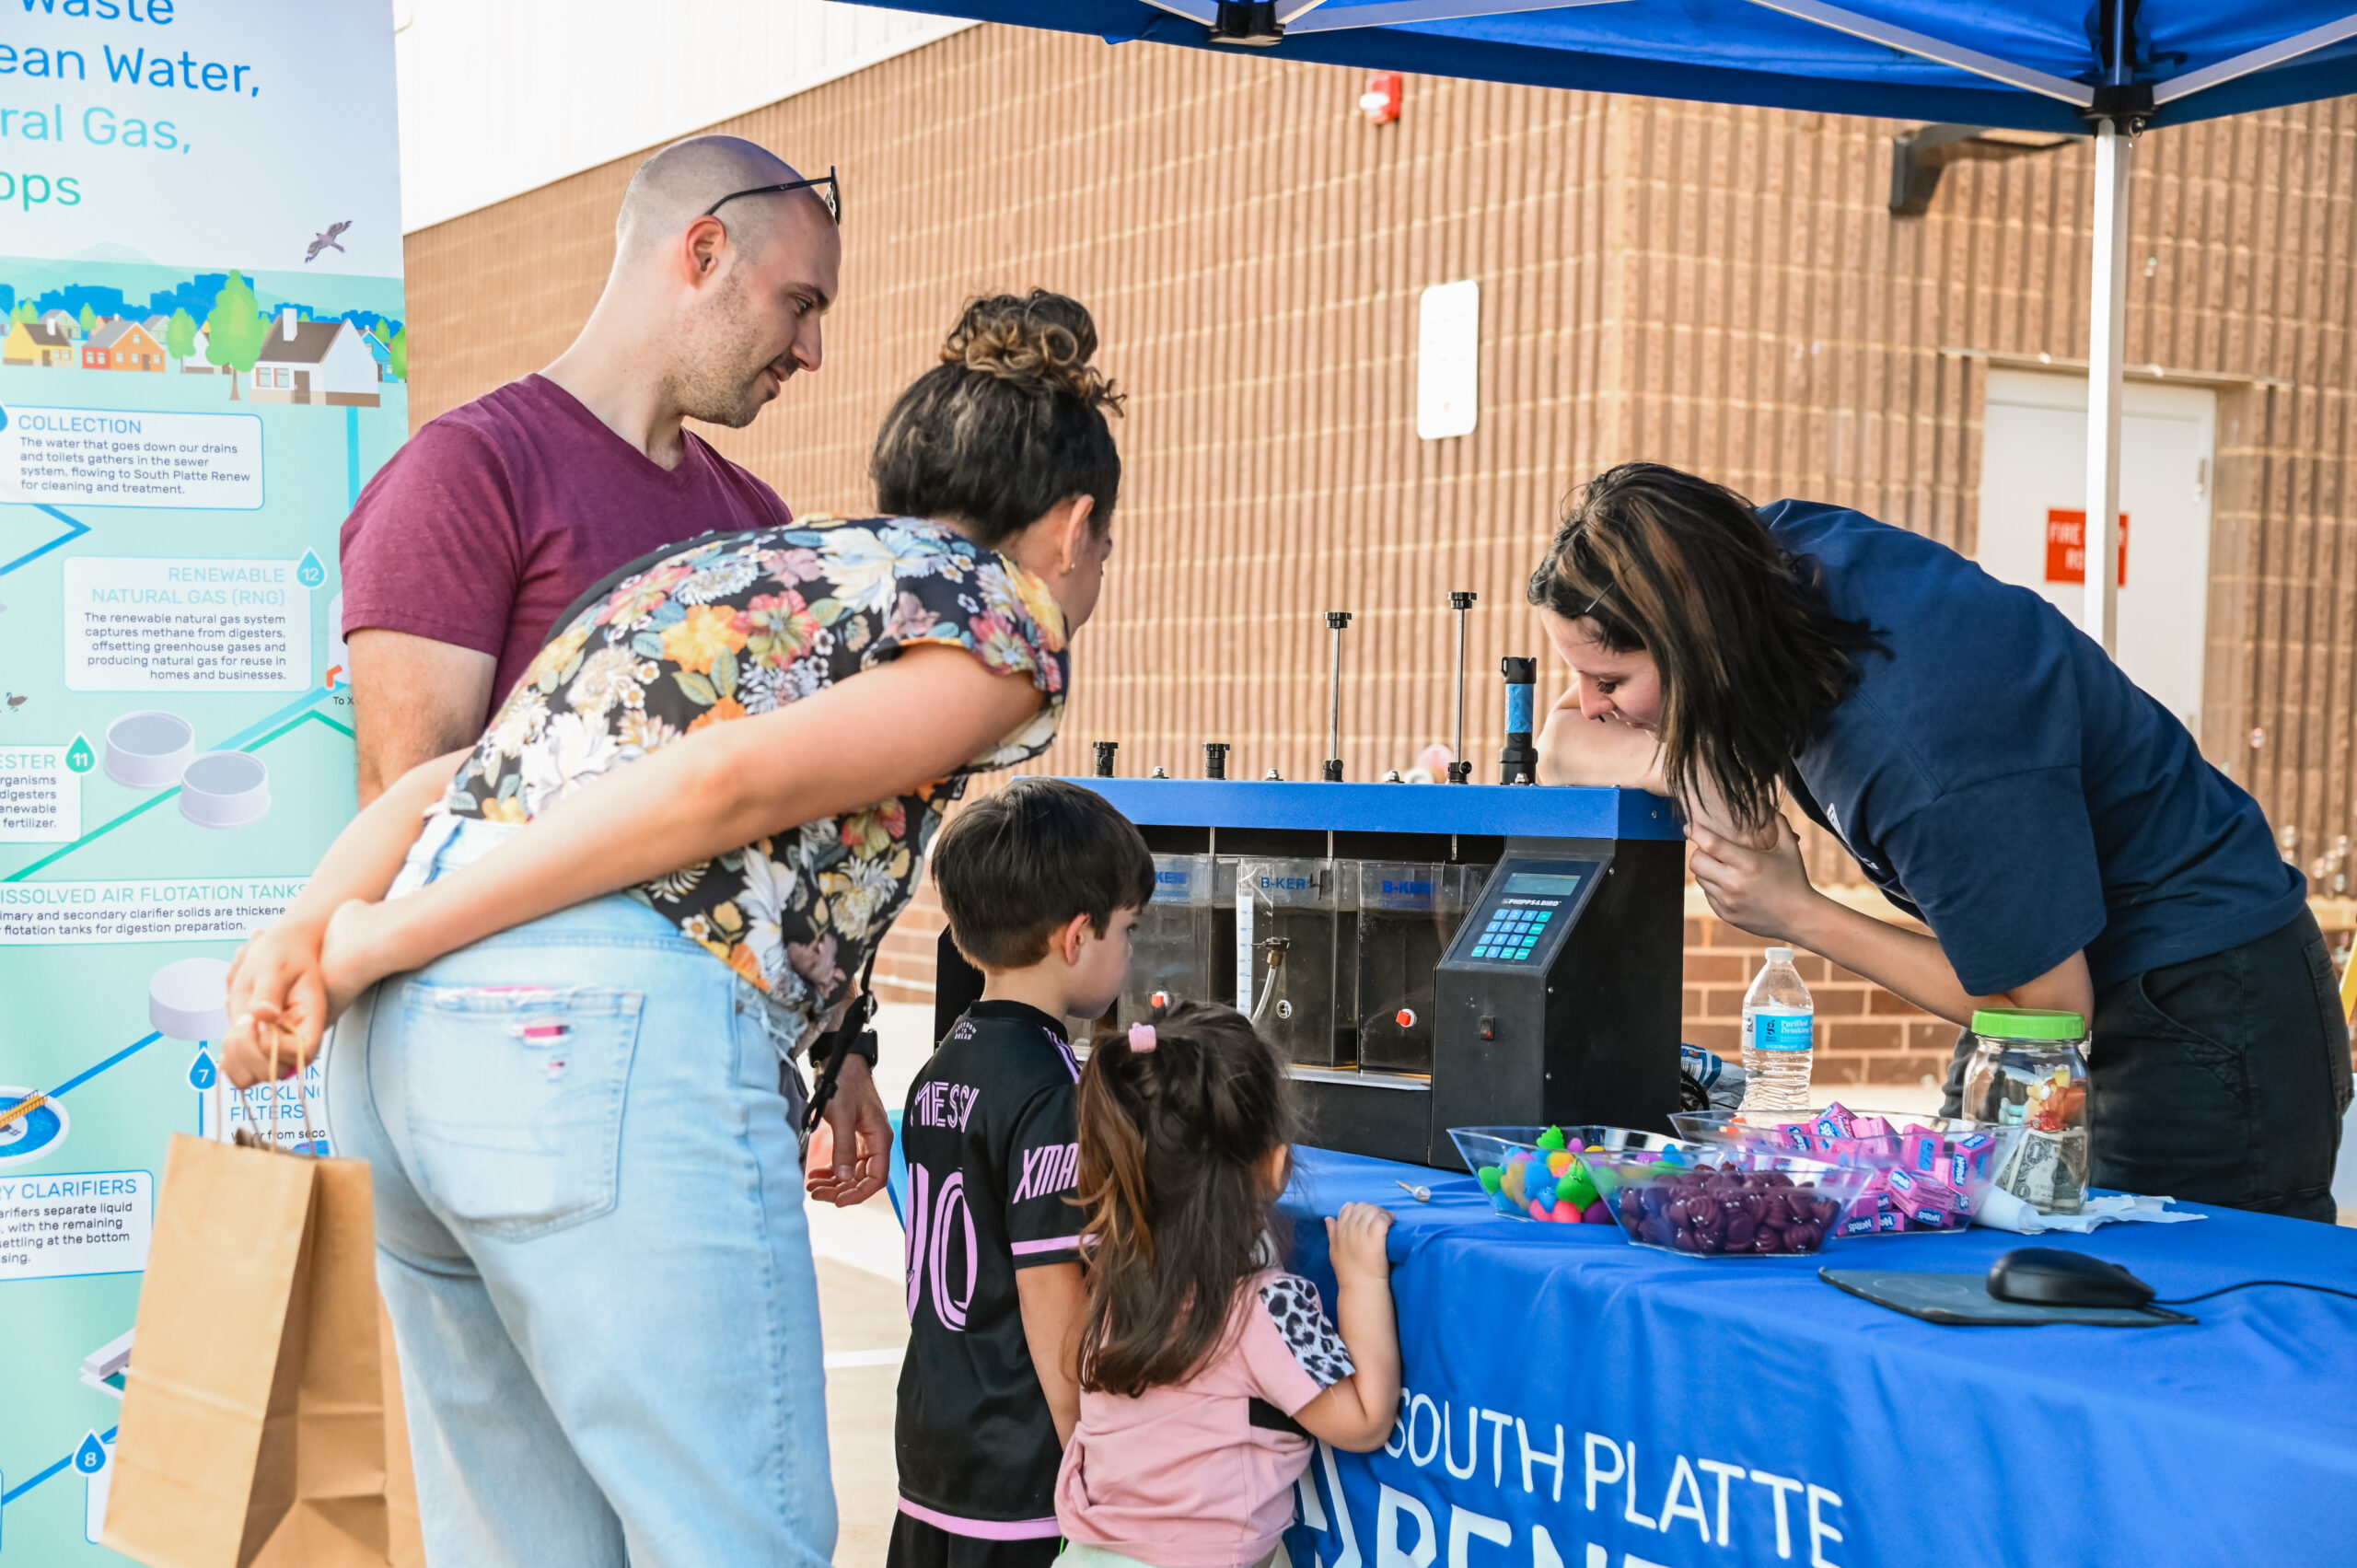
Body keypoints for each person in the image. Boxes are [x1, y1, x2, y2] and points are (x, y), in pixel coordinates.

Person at [220, 289, 1127, 1568]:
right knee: (730, 1534)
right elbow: (725, 792)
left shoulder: (742, 566)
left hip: (398, 1062)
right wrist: (374, 937)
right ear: (1076, 523)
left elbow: (452, 781)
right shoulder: (999, 614)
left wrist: (314, 930)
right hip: (584, 1036)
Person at [1530, 462, 2351, 1222]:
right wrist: (1670, 754)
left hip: (2195, 1006)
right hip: (2040, 972)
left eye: (1609, 681)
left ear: (1698, 640)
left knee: (2156, 1322)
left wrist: (1800, 914)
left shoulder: (1920, 744)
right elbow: (1562, 742)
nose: (1587, 702)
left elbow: (2051, 1014)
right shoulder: (1768, 570)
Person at [339, 134, 838, 804]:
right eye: (801, 304)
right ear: (705, 253)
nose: (812, 352)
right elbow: (408, 816)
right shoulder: (469, 474)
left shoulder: (760, 518)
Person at [890, 778, 1155, 1568]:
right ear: (1077, 937)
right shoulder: (1050, 1093)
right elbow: (1049, 1290)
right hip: (1018, 1473)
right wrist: (1087, 1450)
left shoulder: (942, 1064)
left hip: (936, 1437)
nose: (1130, 952)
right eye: (1128, 931)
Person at [1054, 1001, 1402, 1568]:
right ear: (1275, 1165)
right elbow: (1363, 1420)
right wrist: (1362, 1277)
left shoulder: (1109, 1272)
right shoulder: (1266, 1305)